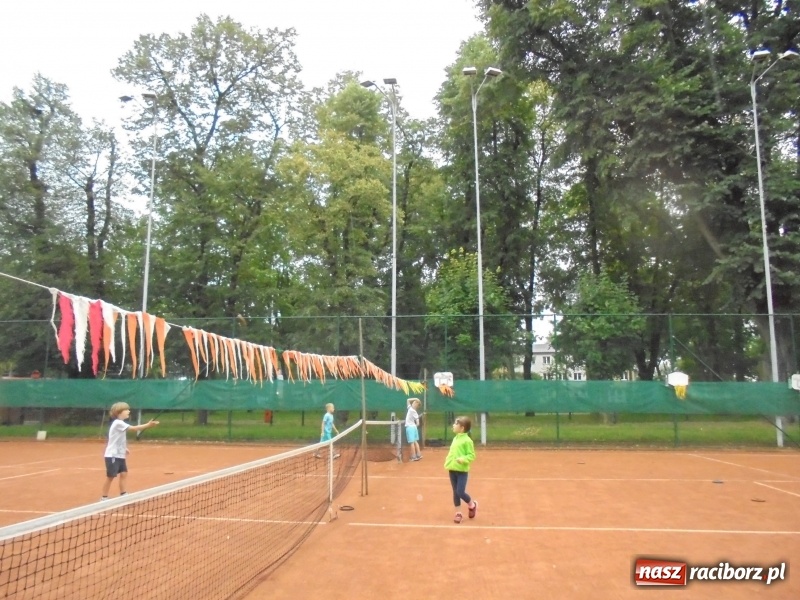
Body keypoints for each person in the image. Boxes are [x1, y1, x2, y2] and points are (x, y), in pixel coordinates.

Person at [101, 402, 159, 501]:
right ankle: (104, 497)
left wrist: (124, 448)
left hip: (120, 455)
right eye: (126, 410)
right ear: (119, 412)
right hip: (112, 455)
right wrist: (148, 425)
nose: (129, 411)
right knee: (111, 476)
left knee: (124, 473)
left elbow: (117, 438)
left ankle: (123, 494)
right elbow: (133, 428)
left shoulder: (120, 423)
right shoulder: (118, 423)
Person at [444, 415, 477, 524]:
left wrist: (463, 459)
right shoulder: (455, 438)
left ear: (462, 428)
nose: (453, 425)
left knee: (460, 491)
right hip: (452, 469)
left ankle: (472, 505)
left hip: (462, 471)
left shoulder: (467, 441)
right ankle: (458, 513)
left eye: (455, 424)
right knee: (455, 492)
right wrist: (448, 461)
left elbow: (472, 455)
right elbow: (452, 453)